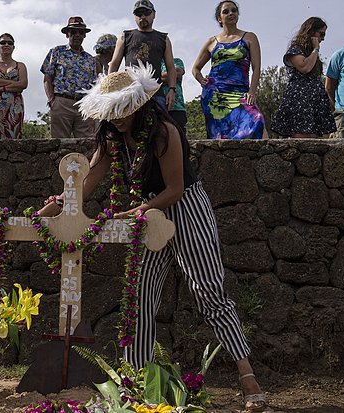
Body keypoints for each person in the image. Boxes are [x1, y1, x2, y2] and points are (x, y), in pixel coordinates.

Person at [41, 63, 267, 412]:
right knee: (139, 296)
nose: (116, 117)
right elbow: (88, 180)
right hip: (146, 213)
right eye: (111, 111)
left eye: (122, 110)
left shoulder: (164, 132)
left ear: (138, 106)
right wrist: (60, 203)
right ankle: (135, 381)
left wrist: (137, 211)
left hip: (184, 207)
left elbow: (174, 189)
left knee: (208, 290)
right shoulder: (110, 136)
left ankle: (246, 372)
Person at [192, 1, 266, 139]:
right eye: (226, 11)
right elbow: (195, 68)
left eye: (234, 10)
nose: (231, 13)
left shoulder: (249, 37)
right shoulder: (212, 41)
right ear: (219, 18)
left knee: (256, 120)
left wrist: (252, 91)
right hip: (215, 95)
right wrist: (202, 80)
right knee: (221, 136)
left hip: (241, 92)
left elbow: (256, 68)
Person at [271, 17, 335, 138]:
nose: (322, 39)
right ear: (311, 31)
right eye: (321, 34)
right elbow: (305, 67)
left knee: (314, 139)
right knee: (301, 137)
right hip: (300, 101)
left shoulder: (311, 54)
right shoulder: (295, 50)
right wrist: (316, 49)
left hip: (314, 102)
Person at [108, 0, 176, 110]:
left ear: (154, 14)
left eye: (146, 13)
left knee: (164, 126)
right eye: (139, 14)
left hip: (156, 93)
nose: (143, 17)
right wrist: (110, 90)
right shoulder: (125, 36)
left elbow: (171, 68)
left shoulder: (164, 39)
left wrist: (172, 90)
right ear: (134, 16)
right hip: (130, 92)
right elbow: (114, 64)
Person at [41, 16, 96, 139]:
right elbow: (47, 77)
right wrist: (52, 100)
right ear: (67, 34)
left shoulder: (90, 59)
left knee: (86, 143)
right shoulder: (56, 52)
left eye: (81, 32)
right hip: (62, 101)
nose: (77, 35)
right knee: (60, 143)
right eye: (73, 32)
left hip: (84, 105)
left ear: (84, 35)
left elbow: (94, 85)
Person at [0, 33, 27, 139]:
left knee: (14, 134)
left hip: (15, 106)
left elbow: (23, 84)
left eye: (9, 43)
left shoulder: (20, 65)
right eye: (2, 42)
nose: (6, 45)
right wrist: (14, 84)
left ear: (13, 47)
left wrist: (1, 88)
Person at [161, 57, 186, 135]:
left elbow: (177, 72)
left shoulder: (176, 61)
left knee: (179, 137)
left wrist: (153, 77)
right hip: (159, 108)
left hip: (176, 107)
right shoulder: (154, 64)